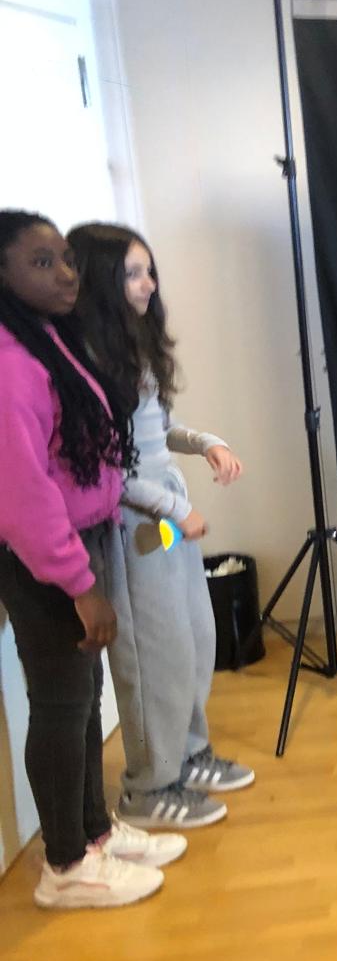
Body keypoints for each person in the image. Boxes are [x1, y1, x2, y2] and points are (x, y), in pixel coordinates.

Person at [0, 210, 185, 908]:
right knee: (60, 704)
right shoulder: (10, 365)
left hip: (82, 541)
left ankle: (92, 833)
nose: (65, 273)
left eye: (65, 259)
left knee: (82, 700)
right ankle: (65, 865)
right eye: (41, 262)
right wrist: (78, 583)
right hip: (47, 559)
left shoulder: (47, 340)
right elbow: (23, 494)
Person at [67, 222, 252, 831]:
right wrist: (174, 510)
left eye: (149, 271)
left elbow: (157, 431)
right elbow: (108, 471)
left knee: (193, 638)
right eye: (132, 273)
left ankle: (187, 754)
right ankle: (148, 787)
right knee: (151, 657)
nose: (148, 283)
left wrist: (206, 443)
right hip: (132, 524)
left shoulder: (134, 350)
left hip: (165, 515)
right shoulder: (87, 362)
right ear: (102, 281)